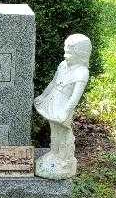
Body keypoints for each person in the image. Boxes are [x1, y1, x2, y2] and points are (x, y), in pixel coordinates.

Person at [34, 33, 92, 179]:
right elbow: (53, 83)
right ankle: (55, 153)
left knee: (64, 132)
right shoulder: (62, 65)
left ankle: (65, 159)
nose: (66, 53)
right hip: (54, 101)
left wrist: (66, 112)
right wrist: (43, 96)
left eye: (70, 50)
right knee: (54, 130)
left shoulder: (82, 72)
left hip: (64, 106)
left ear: (81, 52)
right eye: (66, 49)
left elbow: (74, 97)